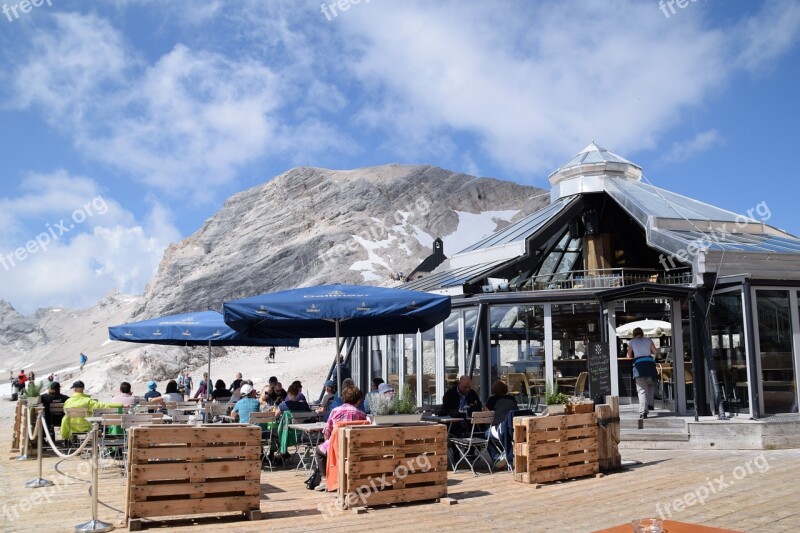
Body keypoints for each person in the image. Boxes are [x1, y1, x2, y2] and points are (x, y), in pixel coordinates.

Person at [310, 384, 367, 491]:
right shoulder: (361, 414)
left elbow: (327, 431)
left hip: (336, 446)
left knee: (319, 451)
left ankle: (325, 480)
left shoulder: (335, 411)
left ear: (343, 398)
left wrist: (329, 443)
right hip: (353, 448)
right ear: (358, 400)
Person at [484, 380, 519, 469]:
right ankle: (504, 454)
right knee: (491, 434)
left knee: (485, 435)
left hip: (501, 429)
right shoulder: (512, 398)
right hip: (513, 430)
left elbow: (484, 413)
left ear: (494, 390)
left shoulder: (492, 399)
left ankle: (498, 457)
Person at [628, 326, 658, 419]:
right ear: (642, 333)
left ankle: (643, 412)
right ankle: (650, 404)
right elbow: (655, 351)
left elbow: (628, 355)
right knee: (650, 385)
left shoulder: (632, 342)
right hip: (650, 364)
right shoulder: (648, 340)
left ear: (634, 334)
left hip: (639, 365)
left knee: (641, 390)